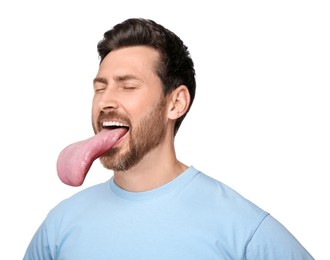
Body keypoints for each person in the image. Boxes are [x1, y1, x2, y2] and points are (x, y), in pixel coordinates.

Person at [23, 18, 314, 259]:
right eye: (100, 88)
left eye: (128, 86)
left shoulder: (244, 229)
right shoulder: (59, 226)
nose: (105, 101)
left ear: (175, 103)